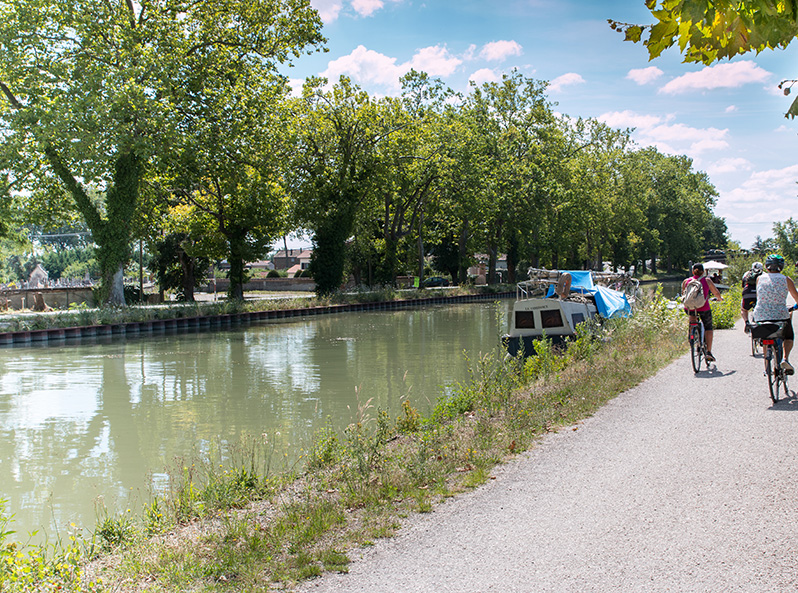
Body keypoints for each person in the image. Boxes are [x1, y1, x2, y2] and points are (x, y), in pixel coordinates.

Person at [752, 254, 798, 375]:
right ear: (781, 267)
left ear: (767, 267)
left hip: (761, 314)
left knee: (766, 335)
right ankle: (785, 359)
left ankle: (767, 367)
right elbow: (797, 298)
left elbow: (760, 296)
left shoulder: (759, 278)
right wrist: (795, 306)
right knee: (789, 336)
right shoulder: (786, 279)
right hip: (780, 314)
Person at [682, 262, 723, 362]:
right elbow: (716, 293)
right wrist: (719, 298)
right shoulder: (707, 280)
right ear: (703, 271)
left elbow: (684, 294)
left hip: (690, 308)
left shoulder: (686, 281)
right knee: (708, 327)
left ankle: (692, 334)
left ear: (692, 271)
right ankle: (708, 352)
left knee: (692, 318)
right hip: (704, 307)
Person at [741, 261, 763, 331]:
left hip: (747, 293)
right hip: (759, 294)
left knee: (744, 309)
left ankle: (747, 322)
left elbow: (743, 285)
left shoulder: (747, 274)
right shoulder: (764, 274)